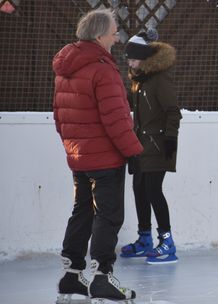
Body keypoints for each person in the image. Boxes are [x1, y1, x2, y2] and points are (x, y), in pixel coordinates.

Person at [53, 8, 142, 303]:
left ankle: (72, 274)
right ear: (101, 34)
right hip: (105, 158)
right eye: (115, 32)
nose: (117, 38)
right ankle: (102, 277)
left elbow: (59, 116)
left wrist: (73, 145)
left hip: (79, 155)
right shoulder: (102, 69)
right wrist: (134, 153)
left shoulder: (67, 66)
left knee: (82, 211)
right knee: (109, 214)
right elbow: (116, 119)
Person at [119, 29, 181, 264]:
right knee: (139, 189)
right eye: (129, 59)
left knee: (154, 190)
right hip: (141, 145)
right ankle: (144, 238)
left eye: (134, 59)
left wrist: (170, 141)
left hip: (159, 144)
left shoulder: (159, 79)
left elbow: (173, 111)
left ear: (145, 58)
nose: (131, 63)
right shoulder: (138, 80)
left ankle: (167, 242)